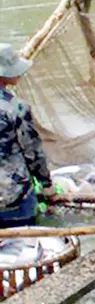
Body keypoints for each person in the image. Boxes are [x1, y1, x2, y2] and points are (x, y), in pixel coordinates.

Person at [0, 44, 55, 228]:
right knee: (22, 245)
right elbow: (32, 151)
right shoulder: (16, 108)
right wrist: (46, 183)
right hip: (12, 196)